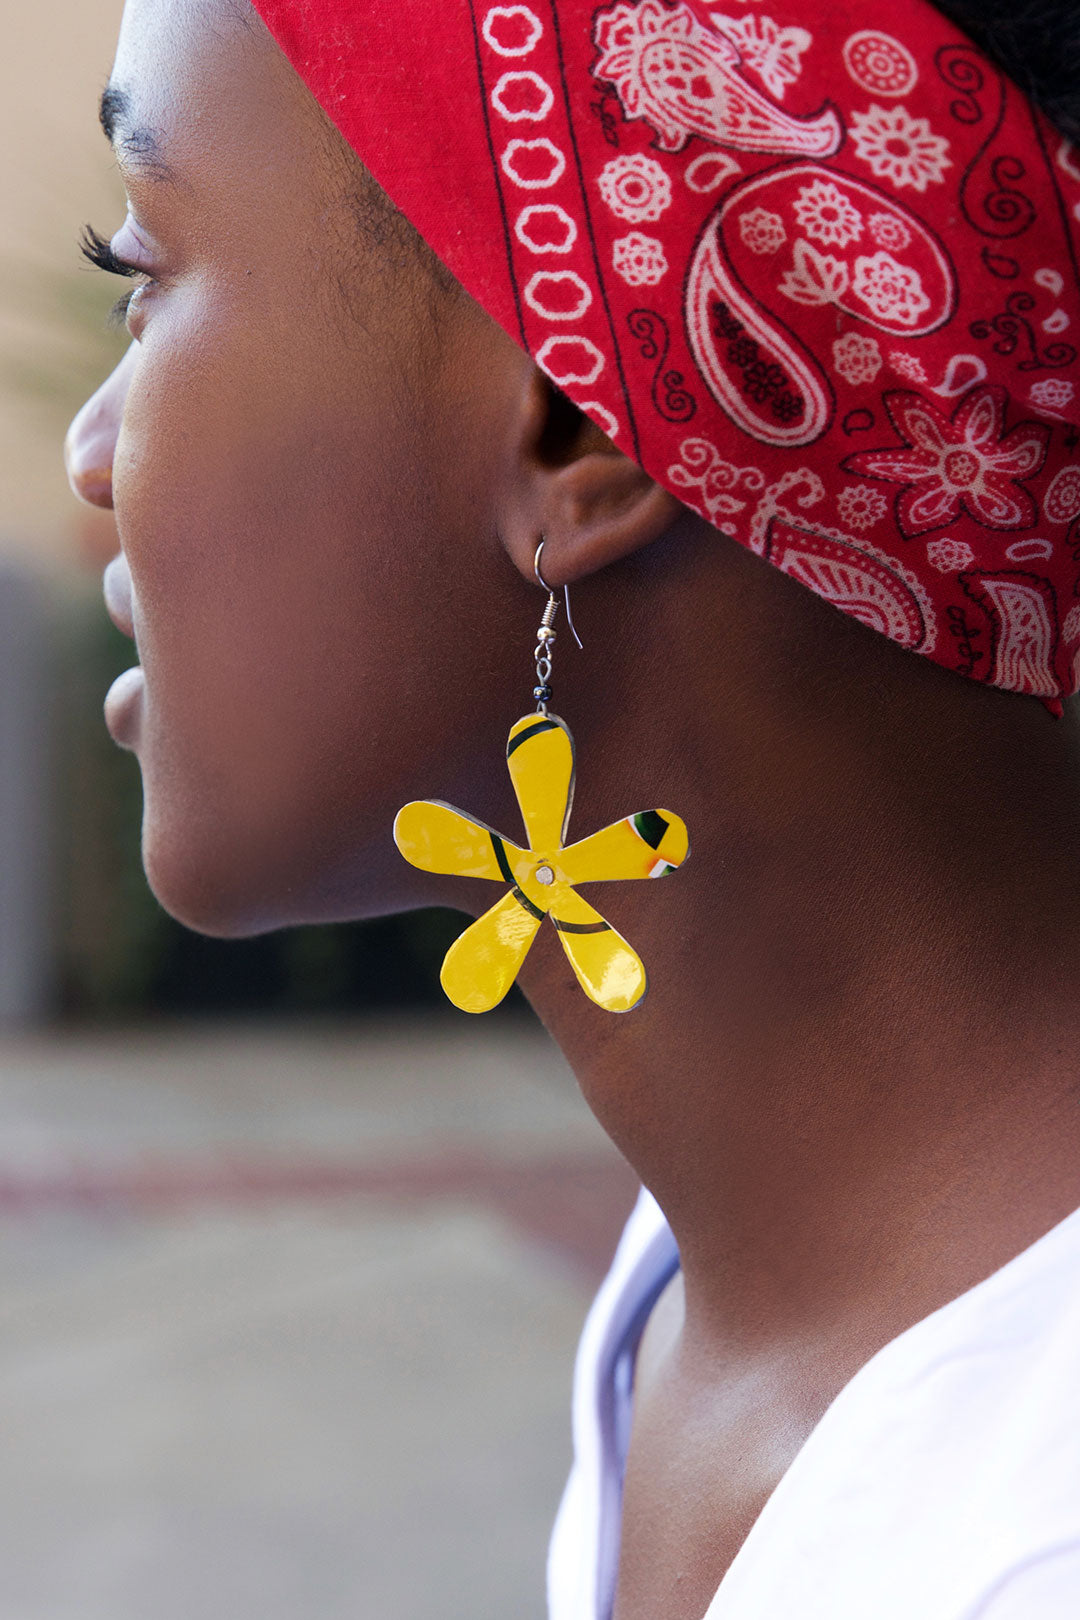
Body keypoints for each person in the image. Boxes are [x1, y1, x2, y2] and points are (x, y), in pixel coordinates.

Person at [64, 0, 1080, 1613]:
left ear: (574, 426)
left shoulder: (1025, 1534)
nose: (91, 455)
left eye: (142, 273)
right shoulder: (711, 1287)